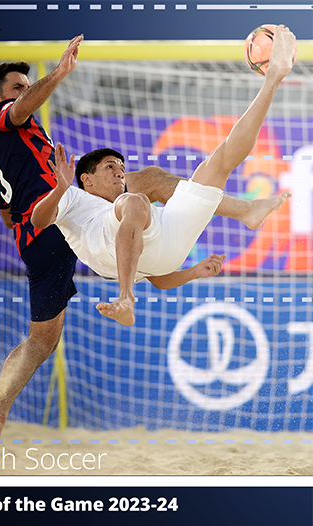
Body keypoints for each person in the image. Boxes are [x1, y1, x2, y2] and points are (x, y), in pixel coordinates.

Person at [31, 24, 295, 327]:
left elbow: (158, 278)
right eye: (110, 167)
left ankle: (273, 78)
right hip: (107, 250)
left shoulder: (134, 217)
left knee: (218, 162)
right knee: (136, 199)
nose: (120, 172)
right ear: (86, 180)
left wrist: (194, 272)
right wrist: (60, 188)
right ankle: (126, 298)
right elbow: (38, 221)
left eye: (120, 166)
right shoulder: (74, 196)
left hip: (165, 241)